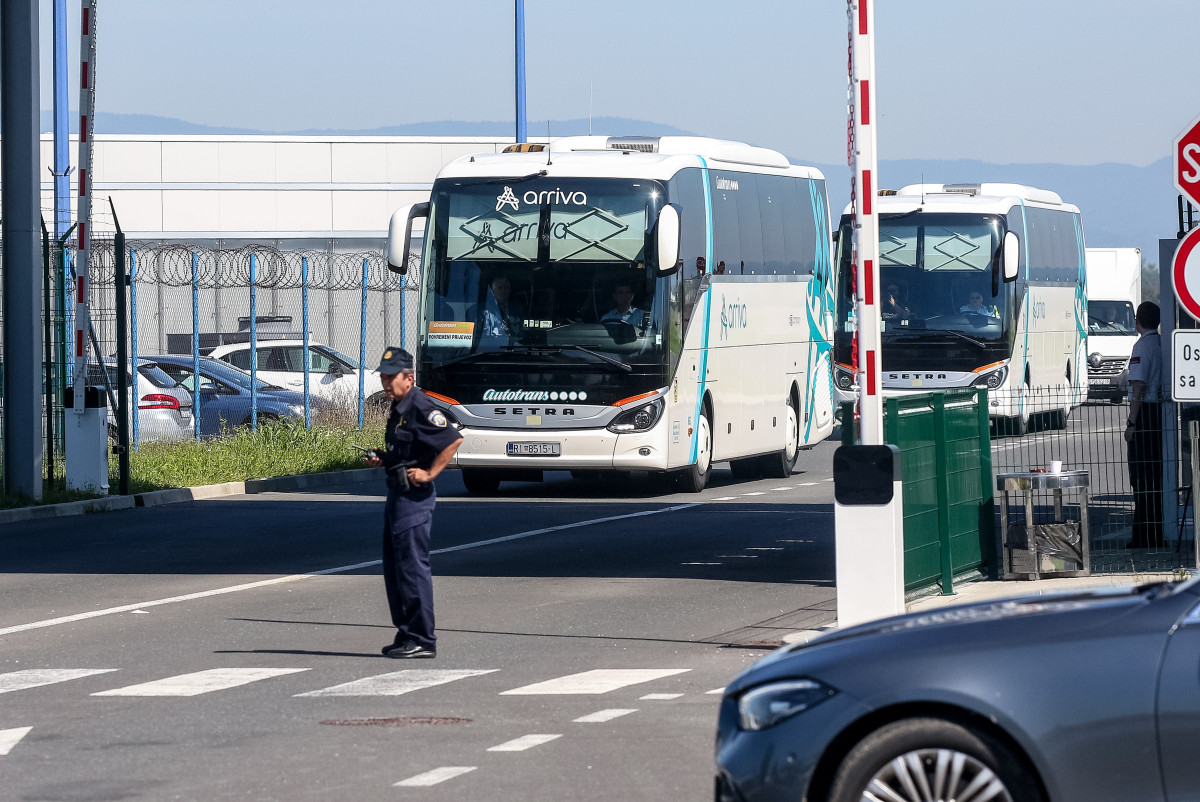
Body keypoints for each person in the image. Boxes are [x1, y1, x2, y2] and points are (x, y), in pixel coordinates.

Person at [364, 347, 462, 658]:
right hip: (397, 493)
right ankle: (406, 632)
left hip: (414, 499)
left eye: (391, 377)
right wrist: (384, 459)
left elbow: (452, 439)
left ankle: (423, 638)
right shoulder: (399, 407)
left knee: (411, 568)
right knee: (394, 568)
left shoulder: (420, 406)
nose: (386, 382)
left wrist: (431, 472)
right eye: (383, 376)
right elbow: (404, 451)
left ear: (410, 378)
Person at [1124, 301, 1163, 550]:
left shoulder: (1142, 346)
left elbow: (1138, 387)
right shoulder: (1161, 344)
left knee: (1140, 477)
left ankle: (1143, 535)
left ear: (1138, 320)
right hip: (1160, 412)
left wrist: (1131, 423)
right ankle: (1156, 530)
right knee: (1156, 477)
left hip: (1145, 415)